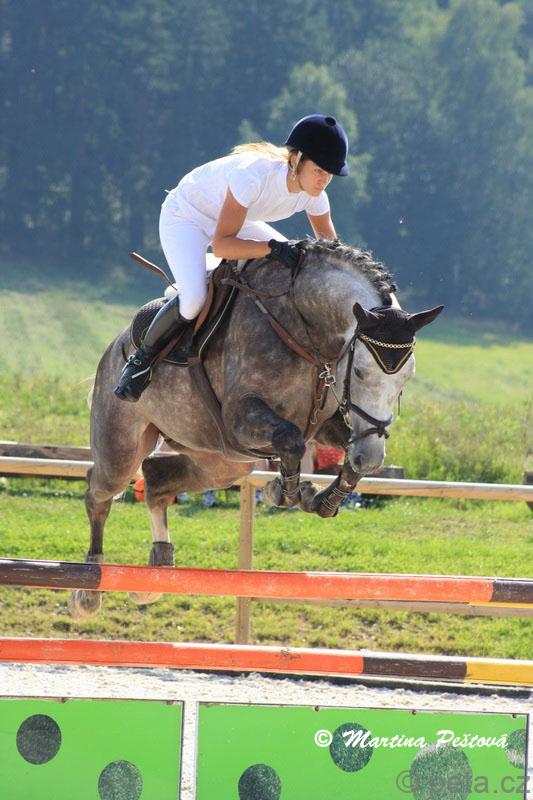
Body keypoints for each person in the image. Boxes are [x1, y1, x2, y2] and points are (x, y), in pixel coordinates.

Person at [114, 114, 349, 402]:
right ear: (296, 159)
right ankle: (141, 360)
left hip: (232, 220)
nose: (324, 180)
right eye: (318, 170)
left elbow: (332, 252)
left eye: (330, 174)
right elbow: (223, 246)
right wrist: (271, 248)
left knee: (289, 264)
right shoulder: (253, 176)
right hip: (186, 216)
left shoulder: (315, 196)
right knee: (193, 299)